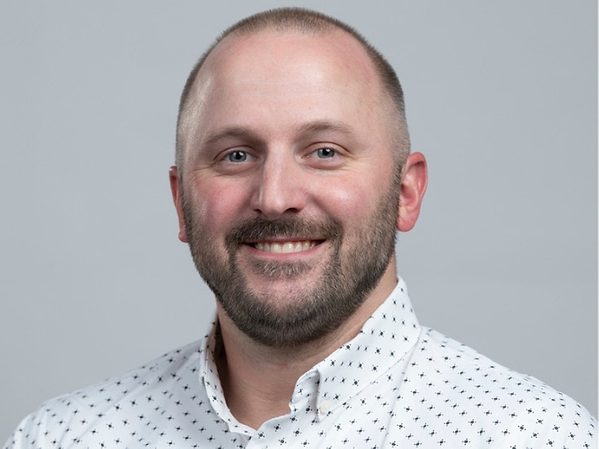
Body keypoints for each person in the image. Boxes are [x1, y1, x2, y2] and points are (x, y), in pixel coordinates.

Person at [4, 7, 596, 449]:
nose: (275, 197)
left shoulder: (528, 436)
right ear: (181, 203)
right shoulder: (61, 438)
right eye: (236, 155)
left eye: (325, 151)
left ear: (406, 193)